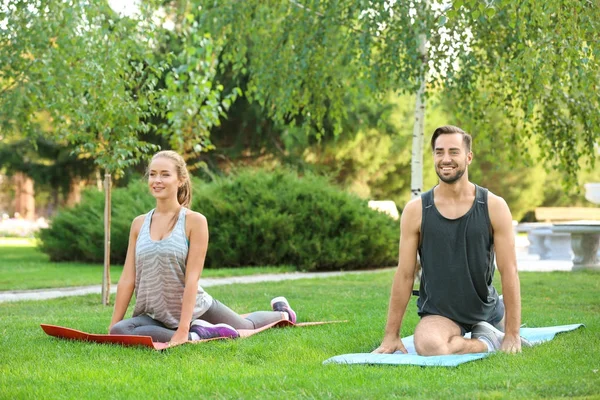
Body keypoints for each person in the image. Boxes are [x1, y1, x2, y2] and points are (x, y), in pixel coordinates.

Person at [109, 150, 296, 345]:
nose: (157, 180)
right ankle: (198, 332)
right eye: (153, 174)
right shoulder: (139, 224)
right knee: (121, 329)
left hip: (197, 308)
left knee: (246, 326)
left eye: (165, 174)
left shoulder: (194, 221)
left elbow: (192, 278)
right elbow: (128, 279)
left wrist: (182, 330)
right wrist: (112, 329)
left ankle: (283, 313)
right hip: (156, 315)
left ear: (180, 180)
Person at [373, 125, 529, 356]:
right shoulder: (416, 210)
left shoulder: (494, 206)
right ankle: (487, 341)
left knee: (498, 320)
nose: (446, 159)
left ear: (468, 157)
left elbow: (509, 271)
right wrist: (391, 336)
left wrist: (513, 334)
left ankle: (492, 326)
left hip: (486, 308)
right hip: (440, 313)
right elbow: (405, 274)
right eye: (439, 152)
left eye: (454, 152)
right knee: (429, 346)